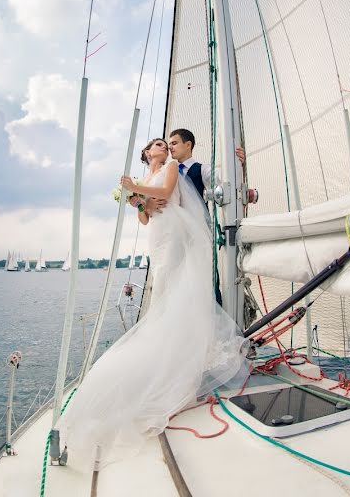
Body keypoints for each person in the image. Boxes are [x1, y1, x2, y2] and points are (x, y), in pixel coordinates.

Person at [54, 138, 249, 472]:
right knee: (161, 287)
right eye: (159, 144)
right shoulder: (147, 173)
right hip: (157, 234)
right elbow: (145, 216)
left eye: (167, 142)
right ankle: (167, 347)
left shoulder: (170, 168)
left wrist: (137, 189)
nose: (164, 146)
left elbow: (168, 192)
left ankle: (182, 350)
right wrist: (139, 202)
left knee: (174, 288)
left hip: (175, 232)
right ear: (146, 154)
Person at [167, 129, 245, 306]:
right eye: (169, 144)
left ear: (188, 145)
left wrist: (238, 163)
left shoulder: (201, 169)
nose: (170, 147)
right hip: (174, 232)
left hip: (197, 231)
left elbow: (224, 179)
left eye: (174, 143)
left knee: (205, 276)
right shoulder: (167, 172)